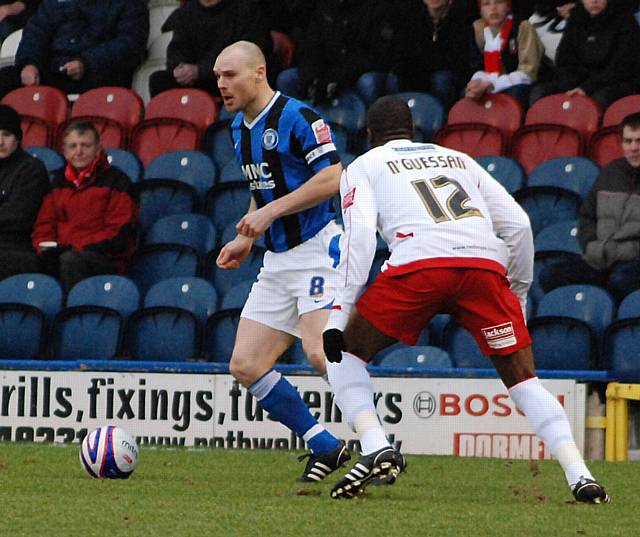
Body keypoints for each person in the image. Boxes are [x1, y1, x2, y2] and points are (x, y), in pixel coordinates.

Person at [322, 95, 610, 503]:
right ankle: (580, 476)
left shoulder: (364, 166)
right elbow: (518, 225)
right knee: (524, 380)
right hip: (482, 268)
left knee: (345, 356)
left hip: (418, 267)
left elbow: (359, 241)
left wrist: (337, 316)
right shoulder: (457, 159)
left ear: (369, 135)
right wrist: (520, 293)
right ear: (415, 131)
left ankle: (374, 445)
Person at [213, 41, 350, 482]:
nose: (221, 84)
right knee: (246, 363)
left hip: (316, 247)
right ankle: (324, 444)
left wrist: (270, 212)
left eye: (229, 75)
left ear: (259, 72)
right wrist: (243, 239)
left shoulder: (298, 117)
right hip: (277, 257)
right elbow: (264, 189)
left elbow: (333, 177)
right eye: (217, 76)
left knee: (318, 352)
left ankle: (377, 445)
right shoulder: (239, 129)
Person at [539, 112, 640, 302]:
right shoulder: (611, 173)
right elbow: (587, 216)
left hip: (633, 262)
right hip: (601, 259)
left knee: (620, 280)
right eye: (628, 141)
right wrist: (591, 245)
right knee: (550, 275)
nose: (633, 148)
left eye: (639, 141)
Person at [31, 121, 138, 292]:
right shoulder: (57, 181)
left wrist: (74, 247)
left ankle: (76, 313)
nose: (79, 152)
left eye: (85, 146)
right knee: (21, 261)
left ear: (98, 149)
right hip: (63, 252)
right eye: (73, 146)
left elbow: (120, 232)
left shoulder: (117, 181)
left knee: (70, 260)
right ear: (65, 152)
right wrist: (42, 247)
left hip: (105, 258)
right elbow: (44, 224)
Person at [0, 0, 149, 99]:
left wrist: (86, 62)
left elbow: (130, 44)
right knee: (5, 78)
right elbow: (35, 33)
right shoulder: (55, 3)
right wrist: (29, 64)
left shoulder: (130, 4)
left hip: (98, 72)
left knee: (104, 81)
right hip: (52, 70)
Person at [275, 0, 398, 106]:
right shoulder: (325, 5)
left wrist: (336, 77)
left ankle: (367, 129)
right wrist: (312, 75)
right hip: (326, 69)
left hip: (357, 72)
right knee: (287, 79)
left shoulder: (377, 7)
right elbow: (311, 46)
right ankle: (291, 127)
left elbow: (373, 55)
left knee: (368, 83)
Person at [149, 0, 272, 98]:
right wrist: (179, 68)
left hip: (231, 81)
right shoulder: (186, 13)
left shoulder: (246, 10)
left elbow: (246, 57)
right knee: (159, 80)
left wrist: (200, 71)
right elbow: (177, 49)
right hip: (196, 81)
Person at [529, 0, 640, 108]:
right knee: (540, 92)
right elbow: (564, 59)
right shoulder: (576, 18)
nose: (594, 1)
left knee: (598, 100)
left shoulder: (624, 20)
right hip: (578, 81)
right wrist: (572, 85)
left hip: (612, 83)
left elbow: (621, 67)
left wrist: (586, 88)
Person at [391, 0, 473, 111]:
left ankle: (443, 121)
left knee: (441, 80)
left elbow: (458, 62)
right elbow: (402, 55)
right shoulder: (411, 16)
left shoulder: (462, 17)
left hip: (449, 74)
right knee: (394, 78)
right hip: (418, 72)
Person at [0, 103, 49, 281]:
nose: (0, 142)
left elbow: (19, 216)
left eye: (6, 135)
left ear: (18, 138)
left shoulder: (31, 169)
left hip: (18, 247)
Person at [466, 0, 544, 107]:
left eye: (498, 2)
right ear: (481, 10)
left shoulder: (522, 27)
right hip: (488, 82)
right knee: (467, 95)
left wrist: (494, 84)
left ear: (508, 6)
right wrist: (477, 82)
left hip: (517, 83)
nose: (493, 8)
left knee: (514, 95)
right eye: (487, 4)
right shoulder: (478, 29)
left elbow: (528, 71)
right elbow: (477, 65)